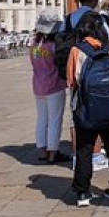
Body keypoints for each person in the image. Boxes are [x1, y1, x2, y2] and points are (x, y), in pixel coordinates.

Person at [67, 11, 109, 207]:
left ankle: (83, 191)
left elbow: (71, 79)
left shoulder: (77, 49)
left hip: (86, 106)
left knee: (84, 148)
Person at [30, 11, 70, 163]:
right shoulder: (54, 46)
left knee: (42, 119)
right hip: (54, 85)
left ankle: (42, 151)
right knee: (54, 120)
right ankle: (53, 153)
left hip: (38, 85)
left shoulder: (33, 45)